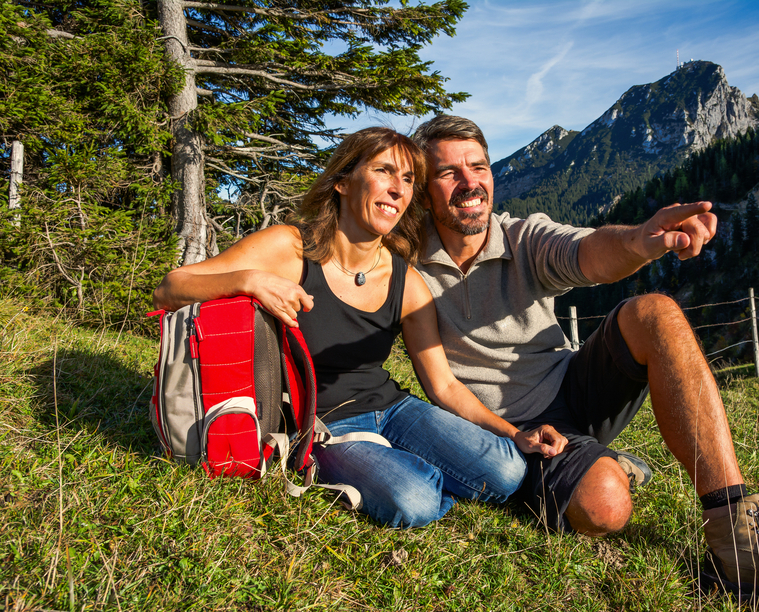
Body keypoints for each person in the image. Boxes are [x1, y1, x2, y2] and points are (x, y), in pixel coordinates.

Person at [409, 115, 759, 610]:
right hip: (509, 429)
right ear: (423, 192)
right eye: (448, 173)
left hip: (571, 386)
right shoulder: (402, 261)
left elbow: (587, 252)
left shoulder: (524, 238)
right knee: (605, 506)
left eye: (478, 167)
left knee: (654, 313)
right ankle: (607, 465)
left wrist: (640, 240)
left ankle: (736, 535)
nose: (470, 184)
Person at [153, 127, 562, 529]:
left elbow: (444, 387)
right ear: (343, 182)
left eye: (408, 180)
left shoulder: (408, 281)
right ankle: (401, 474)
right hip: (325, 424)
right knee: (413, 501)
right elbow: (170, 289)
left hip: (395, 410)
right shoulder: (291, 248)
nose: (398, 189)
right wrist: (249, 280)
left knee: (508, 470)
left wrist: (514, 433)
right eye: (384, 171)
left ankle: (411, 468)